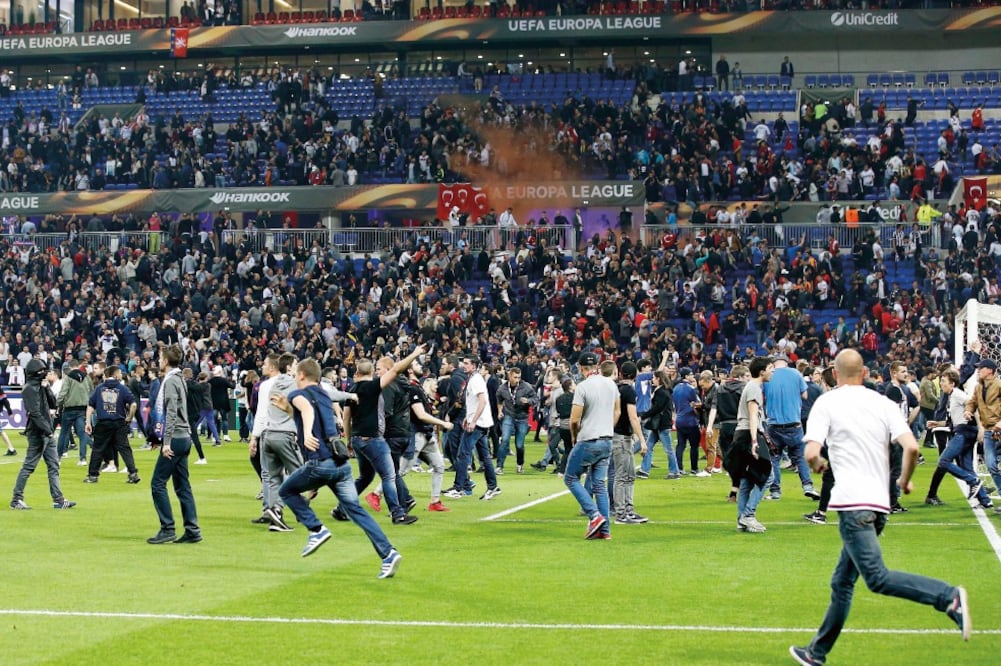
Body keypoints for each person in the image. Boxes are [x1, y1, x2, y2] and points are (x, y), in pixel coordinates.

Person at [790, 350, 971, 665]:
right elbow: (912, 446)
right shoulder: (883, 403)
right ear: (863, 373)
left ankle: (948, 597)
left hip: (853, 504)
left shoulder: (827, 402)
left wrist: (819, 463)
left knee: (876, 578)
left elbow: (810, 454)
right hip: (879, 505)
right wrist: (904, 480)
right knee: (842, 581)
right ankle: (815, 653)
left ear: (835, 372)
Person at [276, 358, 402, 578]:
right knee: (356, 511)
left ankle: (316, 529)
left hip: (320, 462)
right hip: (341, 464)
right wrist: (288, 411)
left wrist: (306, 434)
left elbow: (307, 411)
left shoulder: (298, 394)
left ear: (303, 376)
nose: (294, 378)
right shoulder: (324, 394)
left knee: (286, 490)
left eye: (296, 374)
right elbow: (310, 413)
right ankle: (388, 553)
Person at [339, 346, 424, 525]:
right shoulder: (372, 386)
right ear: (372, 371)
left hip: (356, 439)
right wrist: (415, 353)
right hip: (373, 440)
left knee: (365, 477)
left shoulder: (351, 390)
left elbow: (346, 418)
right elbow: (395, 369)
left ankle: (341, 508)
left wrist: (348, 441)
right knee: (388, 476)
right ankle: (398, 513)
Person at [148, 345, 201, 544]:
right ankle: (192, 530)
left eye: (160, 357)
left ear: (165, 361)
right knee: (182, 486)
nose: (158, 360)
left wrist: (166, 441)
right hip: (185, 437)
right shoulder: (180, 379)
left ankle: (167, 528)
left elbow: (170, 413)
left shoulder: (170, 382)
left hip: (176, 439)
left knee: (157, 484)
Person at [566, 353, 619, 540]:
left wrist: (574, 436)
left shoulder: (582, 387)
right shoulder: (611, 384)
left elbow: (574, 419)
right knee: (599, 485)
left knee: (570, 478)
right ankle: (605, 531)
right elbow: (616, 410)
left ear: (581, 368)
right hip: (607, 439)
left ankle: (594, 516)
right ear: (596, 365)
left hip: (588, 439)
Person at [923, 368, 992, 509]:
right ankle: (985, 500)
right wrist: (937, 423)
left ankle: (973, 481)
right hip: (963, 431)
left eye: (943, 381)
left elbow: (974, 407)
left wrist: (980, 428)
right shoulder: (951, 396)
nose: (941, 383)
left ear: (952, 383)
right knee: (967, 467)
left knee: (943, 460)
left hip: (964, 432)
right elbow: (953, 421)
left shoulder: (958, 394)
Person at [10, 360, 75, 510]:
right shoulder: (28, 389)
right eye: (43, 370)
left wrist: (46, 389)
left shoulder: (40, 386)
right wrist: (48, 431)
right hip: (38, 434)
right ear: (37, 372)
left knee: (54, 466)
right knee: (29, 466)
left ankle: (58, 500)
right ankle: (16, 499)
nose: (45, 373)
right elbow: (35, 414)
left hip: (46, 432)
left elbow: (53, 404)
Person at [250, 352, 303, 533]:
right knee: (299, 473)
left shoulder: (266, 386)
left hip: (267, 433)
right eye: (296, 364)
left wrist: (255, 436)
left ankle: (272, 514)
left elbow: (261, 413)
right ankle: (285, 508)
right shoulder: (292, 383)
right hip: (285, 433)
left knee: (271, 477)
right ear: (288, 367)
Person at [444, 355, 502, 501]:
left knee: (463, 454)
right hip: (481, 422)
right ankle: (493, 487)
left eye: (467, 363)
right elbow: (474, 402)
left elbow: (482, 401)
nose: (464, 365)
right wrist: (467, 417)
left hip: (478, 423)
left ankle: (459, 488)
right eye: (464, 363)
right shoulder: (473, 378)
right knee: (484, 457)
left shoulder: (475, 380)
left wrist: (473, 420)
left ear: (474, 366)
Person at [763, 354, 819, 502]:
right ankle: (808, 486)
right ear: (787, 362)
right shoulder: (795, 374)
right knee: (799, 457)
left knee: (774, 458)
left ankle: (775, 491)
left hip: (773, 424)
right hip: (794, 423)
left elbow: (762, 396)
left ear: (773, 363)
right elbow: (805, 395)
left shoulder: (769, 376)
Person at [400, 360, 453, 512]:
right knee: (403, 470)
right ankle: (377, 493)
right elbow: (421, 415)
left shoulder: (417, 387)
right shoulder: (411, 388)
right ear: (409, 370)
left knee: (439, 465)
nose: (420, 366)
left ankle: (435, 501)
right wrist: (442, 423)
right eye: (416, 364)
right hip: (417, 434)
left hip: (427, 434)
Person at [732, 357, 774, 533]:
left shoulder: (751, 387)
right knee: (768, 476)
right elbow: (752, 414)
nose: (773, 372)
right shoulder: (754, 389)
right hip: (749, 434)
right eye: (771, 368)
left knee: (747, 478)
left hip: (742, 434)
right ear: (762, 371)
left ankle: (742, 519)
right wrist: (755, 441)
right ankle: (748, 515)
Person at [84, 366, 141, 485]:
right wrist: (129, 418)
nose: (121, 375)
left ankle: (93, 475)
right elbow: (134, 405)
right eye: (120, 373)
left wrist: (88, 422)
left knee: (98, 449)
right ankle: (133, 473)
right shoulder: (122, 388)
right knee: (124, 448)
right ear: (115, 375)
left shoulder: (99, 388)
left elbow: (90, 406)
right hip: (119, 423)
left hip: (103, 422)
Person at [964, 357, 1001, 514]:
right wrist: (968, 410)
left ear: (990, 371)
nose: (978, 370)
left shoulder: (999, 385)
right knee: (991, 465)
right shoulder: (979, 386)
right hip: (988, 430)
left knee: (992, 464)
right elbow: (972, 402)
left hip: (999, 428)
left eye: (981, 368)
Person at [612, 361, 647, 524]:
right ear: (635, 375)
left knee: (629, 474)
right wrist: (641, 439)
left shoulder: (615, 389)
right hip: (622, 437)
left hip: (619, 435)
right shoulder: (629, 391)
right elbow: (633, 417)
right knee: (623, 475)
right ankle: (621, 513)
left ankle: (629, 510)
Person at [495, 366, 538, 474]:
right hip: (509, 415)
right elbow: (499, 401)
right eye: (515, 377)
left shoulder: (527, 387)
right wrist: (500, 411)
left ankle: (520, 464)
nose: (517, 380)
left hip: (522, 417)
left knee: (519, 444)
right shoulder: (502, 388)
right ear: (509, 376)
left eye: (519, 377)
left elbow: (536, 399)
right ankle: (499, 466)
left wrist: (528, 401)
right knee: (504, 440)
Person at [56, 365, 92, 464]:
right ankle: (83, 458)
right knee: (82, 434)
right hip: (83, 409)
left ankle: (58, 458)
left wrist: (57, 405)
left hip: (69, 409)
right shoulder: (86, 377)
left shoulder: (69, 378)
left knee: (64, 433)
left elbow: (63, 393)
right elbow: (91, 391)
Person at [672, 368, 702, 475]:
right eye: (691, 375)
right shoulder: (690, 389)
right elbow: (697, 403)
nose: (693, 377)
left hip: (679, 420)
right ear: (686, 376)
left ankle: (679, 468)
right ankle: (694, 468)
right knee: (694, 446)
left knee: (680, 445)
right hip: (690, 420)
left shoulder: (675, 388)